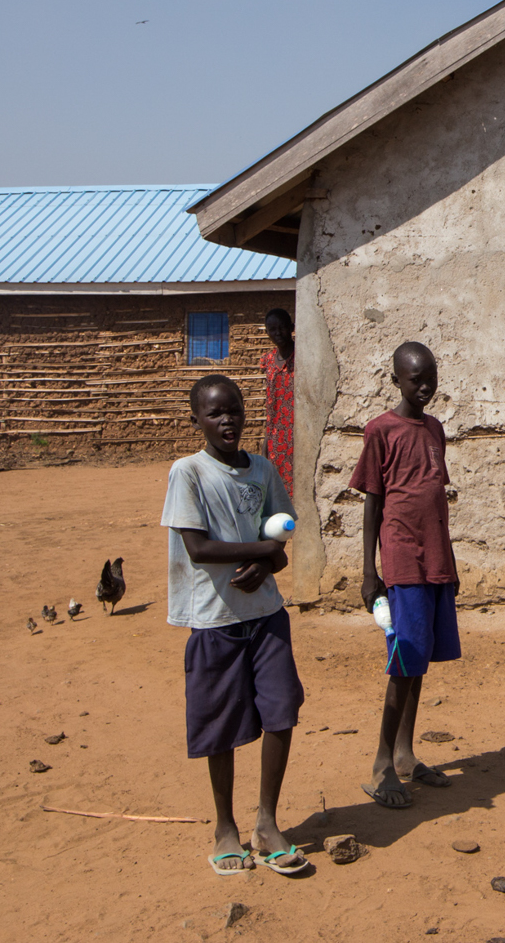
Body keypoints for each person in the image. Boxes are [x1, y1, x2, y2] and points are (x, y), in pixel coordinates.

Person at [161, 373, 308, 876]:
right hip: (215, 619)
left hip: (265, 616)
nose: (227, 421)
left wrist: (269, 562)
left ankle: (266, 823)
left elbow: (280, 538)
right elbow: (198, 548)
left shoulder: (263, 470)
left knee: (282, 712)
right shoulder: (189, 474)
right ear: (197, 418)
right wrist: (263, 551)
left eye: (235, 411)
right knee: (219, 726)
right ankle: (225, 826)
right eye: (215, 413)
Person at [350, 341, 460, 809]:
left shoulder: (434, 429)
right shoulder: (381, 431)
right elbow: (373, 503)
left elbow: (434, 496)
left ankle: (405, 753)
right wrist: (368, 571)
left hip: (435, 561)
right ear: (395, 379)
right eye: (415, 378)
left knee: (421, 663)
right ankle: (380, 766)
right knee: (403, 662)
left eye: (431, 376)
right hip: (402, 562)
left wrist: (449, 565)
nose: (425, 386)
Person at [261, 308, 296, 496]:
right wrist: (267, 437)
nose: (278, 333)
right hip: (276, 433)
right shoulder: (267, 360)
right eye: (272, 329)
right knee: (276, 486)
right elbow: (270, 401)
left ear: (291, 328)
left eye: (282, 327)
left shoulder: (302, 357)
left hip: (297, 431)